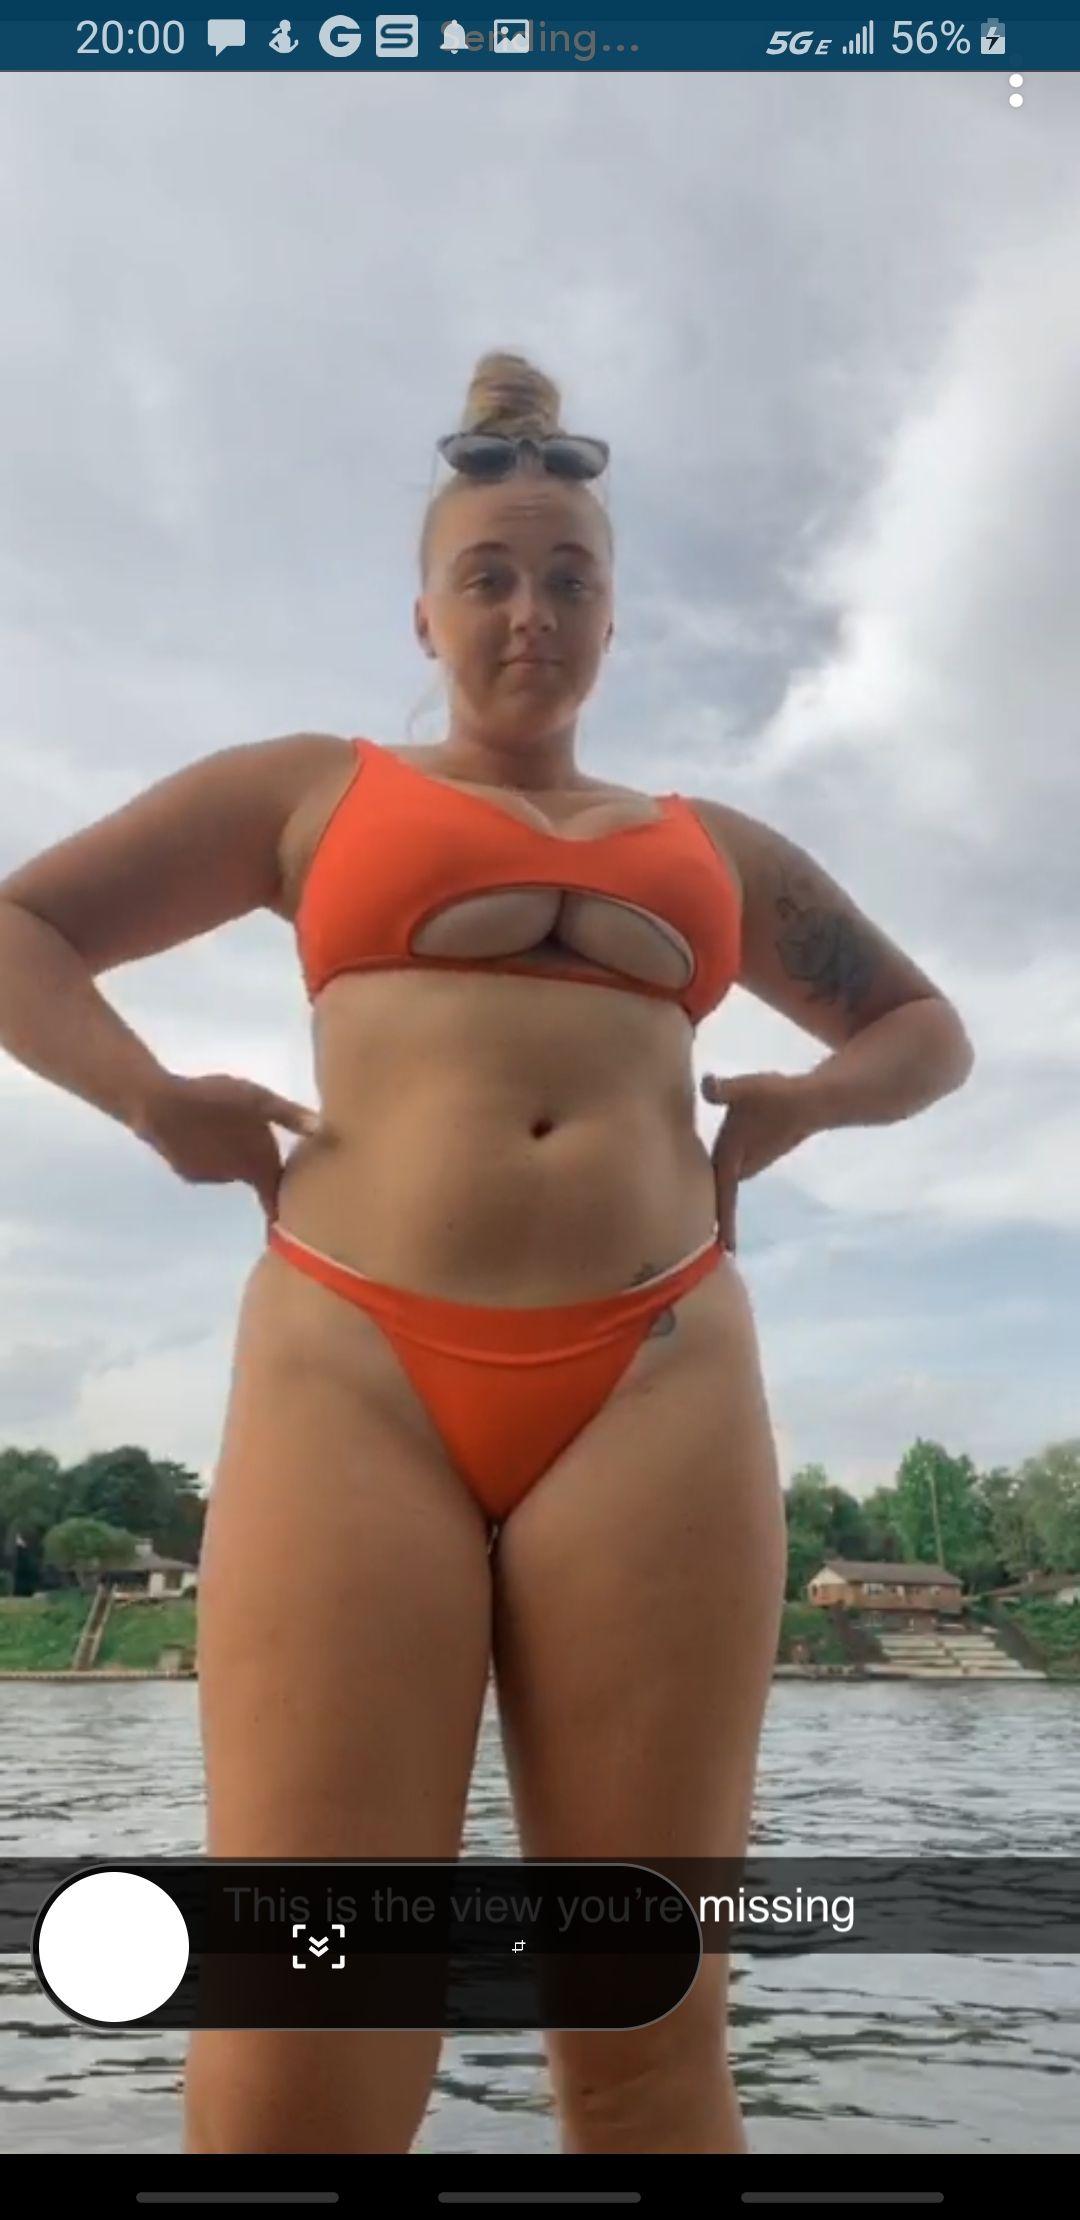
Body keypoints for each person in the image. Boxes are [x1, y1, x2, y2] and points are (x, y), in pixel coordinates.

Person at [0, 350, 974, 2153]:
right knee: (307, 2021)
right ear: (427, 613)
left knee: (646, 2023)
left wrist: (802, 1104)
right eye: (493, 574)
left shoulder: (713, 847)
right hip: (354, 1366)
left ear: (613, 611)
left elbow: (924, 1030)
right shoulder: (314, 791)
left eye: (572, 577)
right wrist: (147, 1097)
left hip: (659, 1378)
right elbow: (23, 927)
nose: (534, 610)